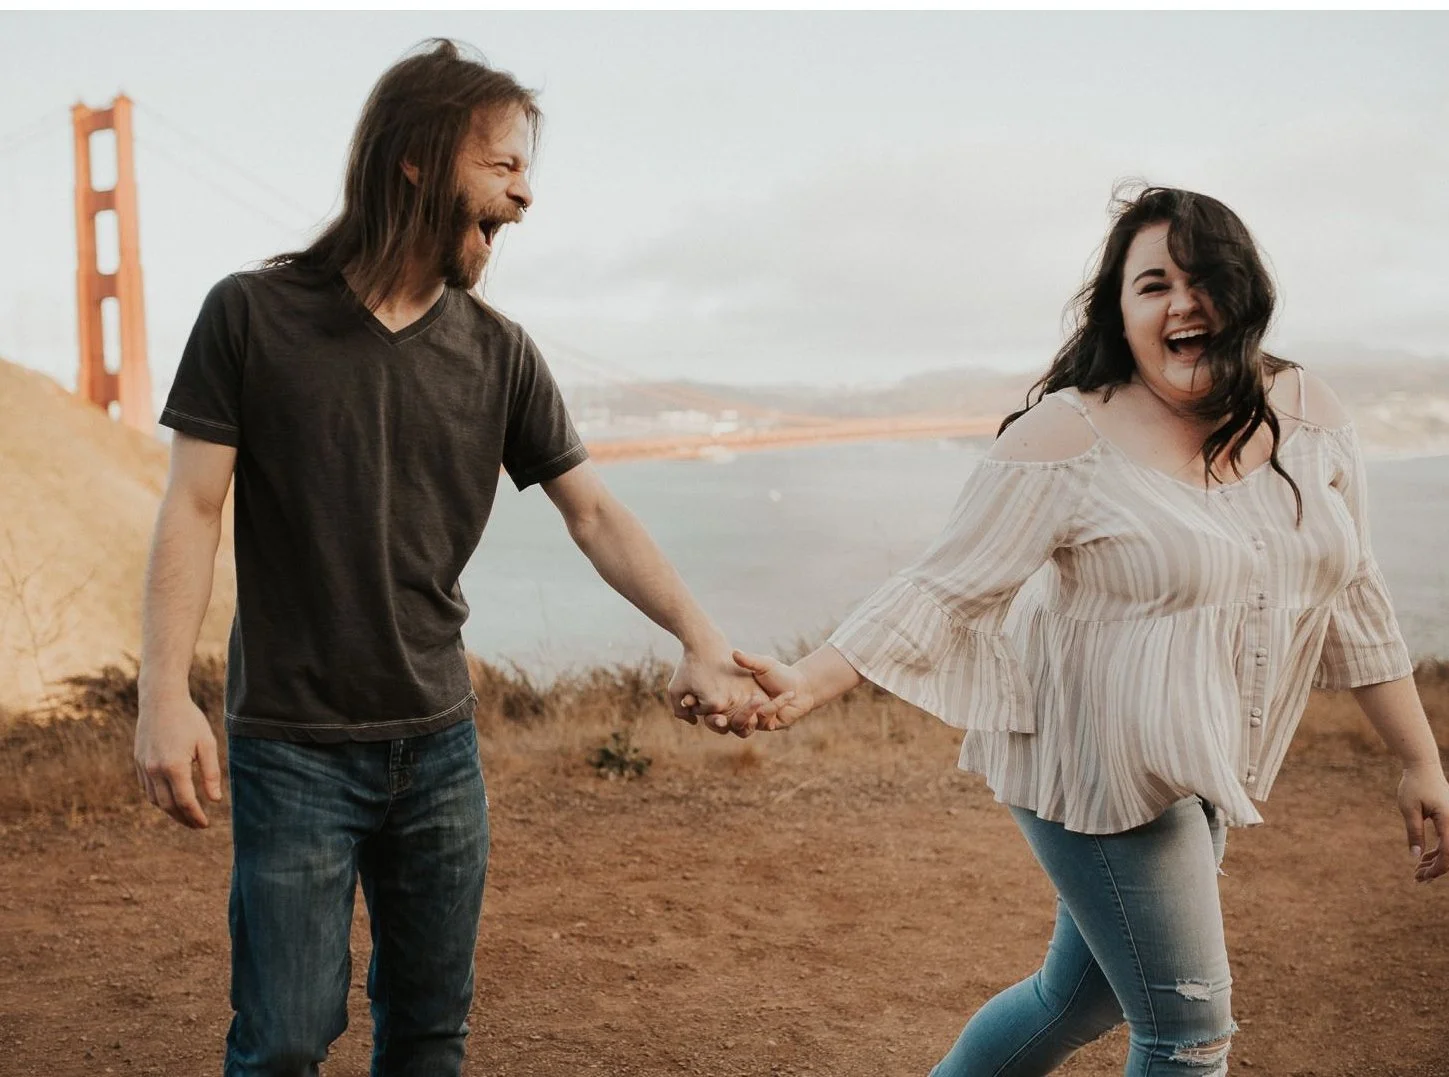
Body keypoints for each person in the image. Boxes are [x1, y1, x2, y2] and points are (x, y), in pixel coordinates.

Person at [133, 39, 761, 1077]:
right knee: (284, 1040)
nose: (525, 198)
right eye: (505, 167)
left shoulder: (500, 351)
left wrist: (702, 637)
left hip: (436, 748)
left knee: (429, 1035)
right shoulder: (251, 316)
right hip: (290, 745)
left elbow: (594, 513)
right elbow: (192, 509)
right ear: (418, 158)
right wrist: (163, 692)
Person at [731, 185, 1448, 1075]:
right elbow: (940, 589)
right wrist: (805, 681)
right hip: (1091, 756)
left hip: (1196, 752)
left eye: (1203, 278)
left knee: (1077, 997)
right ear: (1121, 311)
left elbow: (1356, 591)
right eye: (1152, 285)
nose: (1182, 302)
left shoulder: (1307, 411)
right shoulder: (1067, 435)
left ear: (1246, 291)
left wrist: (1419, 758)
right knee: (1187, 1033)